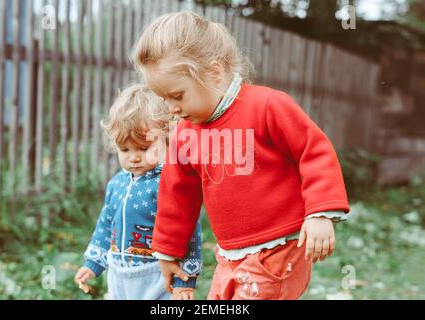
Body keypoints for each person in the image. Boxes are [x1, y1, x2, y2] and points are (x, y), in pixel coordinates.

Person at [132, 11, 350, 300]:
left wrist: (320, 213)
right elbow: (176, 195)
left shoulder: (267, 106)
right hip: (230, 254)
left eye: (177, 95)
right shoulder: (185, 134)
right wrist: (168, 252)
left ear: (214, 71)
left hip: (279, 247)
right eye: (164, 99)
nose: (171, 108)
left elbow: (314, 151)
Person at [74, 84, 202, 300]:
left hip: (157, 275)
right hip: (118, 275)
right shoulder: (116, 184)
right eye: (125, 149)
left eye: (144, 148)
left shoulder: (169, 183)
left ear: (166, 139)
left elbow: (187, 230)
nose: (133, 157)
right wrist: (94, 263)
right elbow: (106, 225)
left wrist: (185, 280)